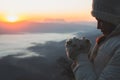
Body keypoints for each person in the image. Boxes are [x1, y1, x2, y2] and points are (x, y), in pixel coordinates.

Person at [65, 0, 120, 80]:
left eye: (101, 22)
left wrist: (80, 57)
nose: (98, 27)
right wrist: (86, 55)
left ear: (114, 19)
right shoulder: (108, 40)